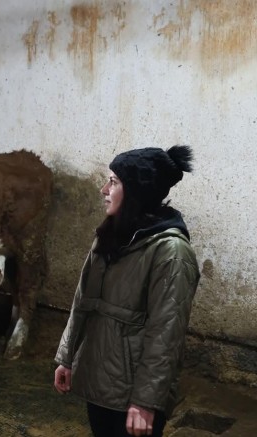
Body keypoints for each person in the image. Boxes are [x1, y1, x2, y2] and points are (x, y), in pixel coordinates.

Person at [53, 145, 200, 437]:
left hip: (133, 393)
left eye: (114, 182)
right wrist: (66, 357)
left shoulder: (171, 252)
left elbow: (165, 335)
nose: (103, 189)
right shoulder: (110, 234)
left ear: (135, 191)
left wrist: (146, 401)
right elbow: (82, 301)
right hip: (100, 381)